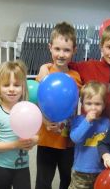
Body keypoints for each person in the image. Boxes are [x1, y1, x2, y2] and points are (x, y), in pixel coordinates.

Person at [38, 24, 110, 117]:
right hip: (87, 126)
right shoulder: (88, 66)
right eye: (109, 47)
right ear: (101, 46)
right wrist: (44, 67)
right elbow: (63, 63)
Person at [35, 21, 82, 189]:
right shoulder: (44, 75)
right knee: (43, 181)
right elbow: (35, 105)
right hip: (46, 139)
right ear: (50, 47)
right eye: (57, 49)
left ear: (74, 51)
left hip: (68, 141)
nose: (61, 54)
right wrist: (45, 122)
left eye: (67, 50)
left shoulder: (76, 77)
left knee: (67, 180)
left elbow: (77, 105)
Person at [0, 60, 38, 189]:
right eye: (6, 85)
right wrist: (15, 144)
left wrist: (33, 141)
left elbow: (37, 135)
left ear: (23, 87)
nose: (11, 89)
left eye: (16, 85)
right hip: (1, 167)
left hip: (22, 166)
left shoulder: (28, 110)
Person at [68, 81, 110, 189]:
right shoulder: (78, 120)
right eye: (89, 103)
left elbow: (109, 144)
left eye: (97, 104)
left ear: (104, 105)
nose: (93, 108)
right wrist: (87, 121)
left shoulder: (106, 122)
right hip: (81, 170)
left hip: (101, 170)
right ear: (82, 104)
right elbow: (75, 138)